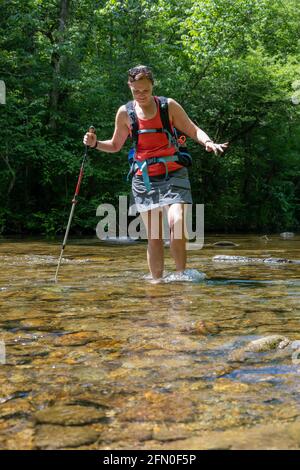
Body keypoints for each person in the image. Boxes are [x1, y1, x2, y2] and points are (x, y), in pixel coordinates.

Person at [83, 65, 228, 281]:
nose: (141, 95)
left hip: (174, 174)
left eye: (145, 91)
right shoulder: (126, 113)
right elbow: (114, 145)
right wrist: (95, 144)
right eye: (136, 91)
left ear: (152, 86)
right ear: (129, 87)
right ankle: (157, 283)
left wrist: (208, 142)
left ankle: (180, 276)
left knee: (176, 223)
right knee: (154, 235)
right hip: (144, 179)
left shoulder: (167, 107)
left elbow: (192, 129)